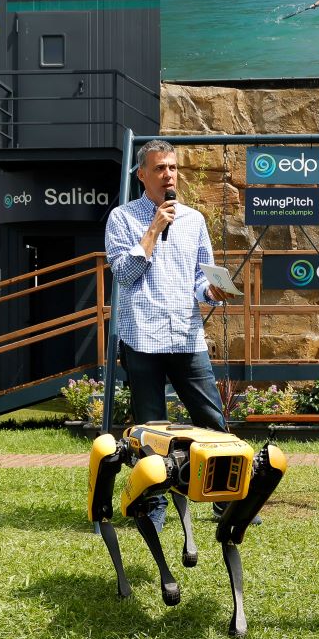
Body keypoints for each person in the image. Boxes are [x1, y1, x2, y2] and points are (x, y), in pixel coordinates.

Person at [104, 139, 231, 523]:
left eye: (173, 168)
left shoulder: (194, 220)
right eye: (160, 168)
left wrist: (210, 290)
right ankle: (155, 504)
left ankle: (226, 497)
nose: (168, 175)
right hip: (143, 335)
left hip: (186, 335)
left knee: (212, 420)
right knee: (152, 428)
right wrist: (154, 230)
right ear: (142, 175)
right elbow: (124, 275)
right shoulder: (122, 218)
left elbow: (199, 277)